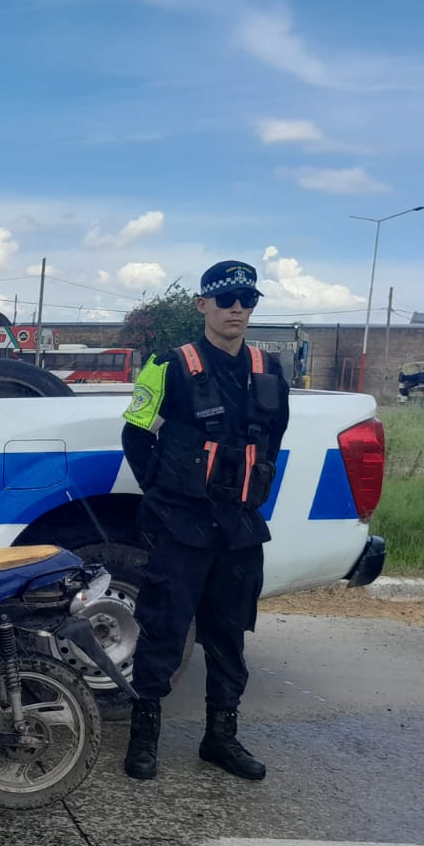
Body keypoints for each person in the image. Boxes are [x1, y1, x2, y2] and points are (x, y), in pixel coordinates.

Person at [119, 260, 290, 782]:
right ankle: (144, 736)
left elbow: (274, 437)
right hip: (181, 523)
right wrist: (168, 492)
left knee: (228, 633)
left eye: (247, 299)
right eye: (225, 299)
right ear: (203, 305)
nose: (237, 307)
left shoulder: (269, 368)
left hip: (239, 526)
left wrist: (247, 490)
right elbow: (135, 434)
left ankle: (220, 738)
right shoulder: (168, 365)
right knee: (164, 629)